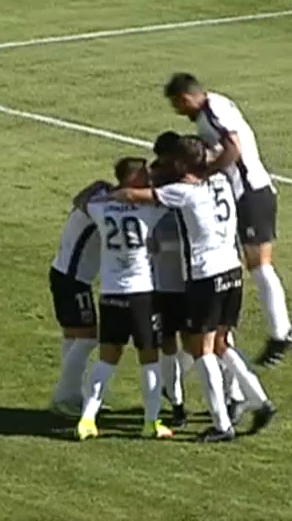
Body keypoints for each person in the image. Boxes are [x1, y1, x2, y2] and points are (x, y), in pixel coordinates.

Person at [107, 136, 277, 443]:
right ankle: (261, 401)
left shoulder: (181, 192)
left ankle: (221, 424)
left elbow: (134, 195)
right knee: (223, 343)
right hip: (232, 271)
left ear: (181, 164)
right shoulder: (222, 181)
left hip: (205, 275)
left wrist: (110, 193)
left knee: (203, 350)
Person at [164, 72, 292, 368]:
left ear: (187, 97)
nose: (179, 111)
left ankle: (281, 332)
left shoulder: (211, 111)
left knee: (260, 264)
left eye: (178, 105)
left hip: (250, 192)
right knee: (255, 264)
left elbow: (233, 148)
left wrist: (204, 174)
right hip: (251, 192)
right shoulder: (216, 106)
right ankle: (278, 332)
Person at [74, 157, 174, 441]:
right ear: (132, 180)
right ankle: (151, 422)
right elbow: (172, 200)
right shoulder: (150, 209)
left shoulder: (99, 206)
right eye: (143, 175)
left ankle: (87, 419)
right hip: (141, 294)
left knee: (107, 358)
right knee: (149, 358)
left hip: (111, 293)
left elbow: (80, 201)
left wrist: (105, 190)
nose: (148, 179)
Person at [48, 180, 108, 416]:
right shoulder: (101, 205)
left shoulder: (95, 197)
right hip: (74, 280)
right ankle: (65, 395)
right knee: (88, 338)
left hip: (64, 274)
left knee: (74, 337)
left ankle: (73, 395)